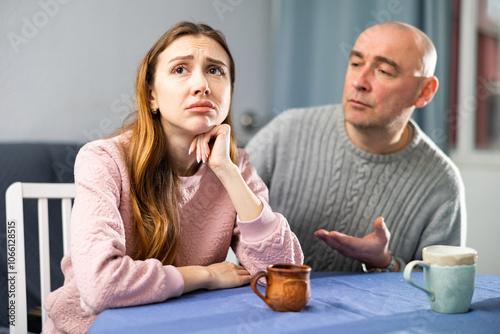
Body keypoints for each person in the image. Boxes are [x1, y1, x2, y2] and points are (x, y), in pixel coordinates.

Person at [43, 22, 303, 333]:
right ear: (151, 96)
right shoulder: (103, 159)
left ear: (230, 92)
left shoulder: (237, 166)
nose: (202, 85)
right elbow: (101, 286)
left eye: (216, 71)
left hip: (185, 325)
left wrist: (228, 173)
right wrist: (204, 276)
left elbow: (282, 272)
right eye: (180, 69)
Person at [245, 21, 465, 273]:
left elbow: (440, 291)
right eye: (356, 64)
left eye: (383, 71)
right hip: (264, 301)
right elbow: (216, 218)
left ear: (424, 91)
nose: (359, 82)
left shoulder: (441, 183)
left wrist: (384, 262)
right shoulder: (285, 131)